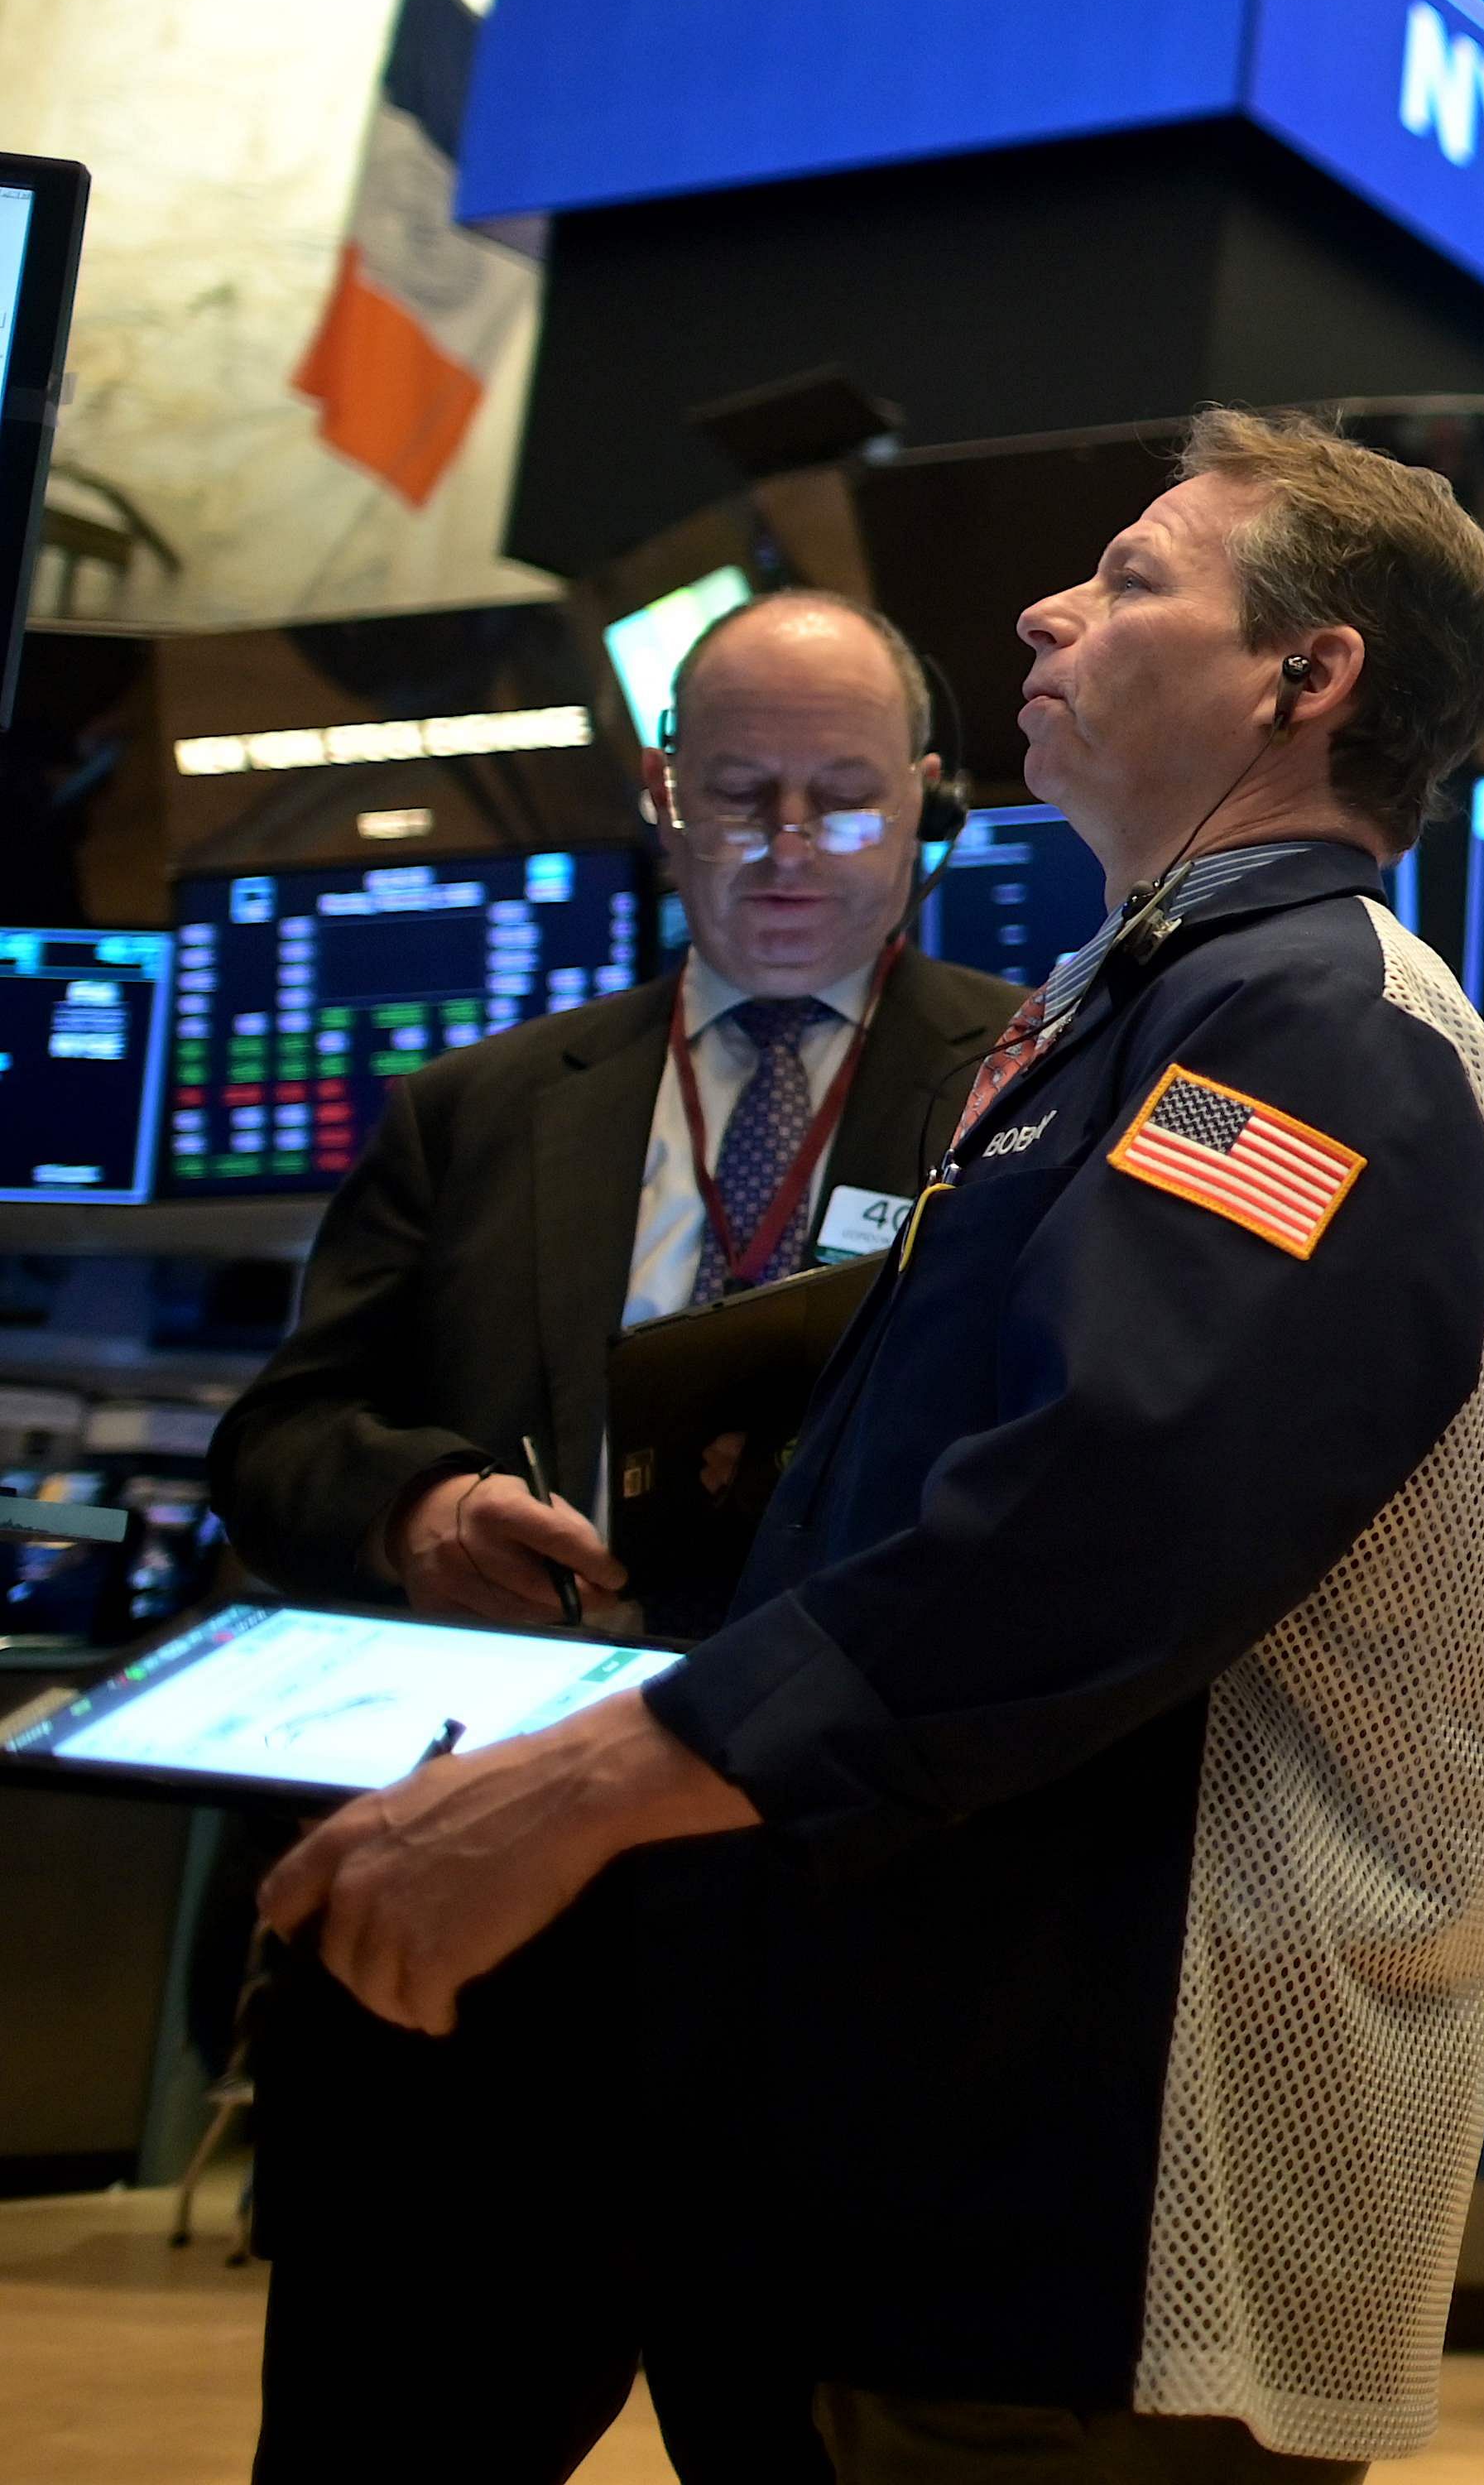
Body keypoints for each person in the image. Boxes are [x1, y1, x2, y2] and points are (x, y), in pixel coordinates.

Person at [262, 406, 1484, 2485]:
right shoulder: (1128, 1010)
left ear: (1311, 678)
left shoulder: (1316, 1021)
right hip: (950, 2130)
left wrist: (586, 1784)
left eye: (1134, 577)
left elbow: (1094, 1519)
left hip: (1127, 2182)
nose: (1045, 605)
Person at [205, 586, 1019, 2485]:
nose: (789, 848)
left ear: (929, 803)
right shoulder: (483, 1107)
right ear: (662, 791)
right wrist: (414, 1500)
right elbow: (282, 1439)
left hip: (840, 1983)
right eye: (741, 794)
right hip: (486, 1990)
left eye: (839, 797)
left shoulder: (1032, 1091)